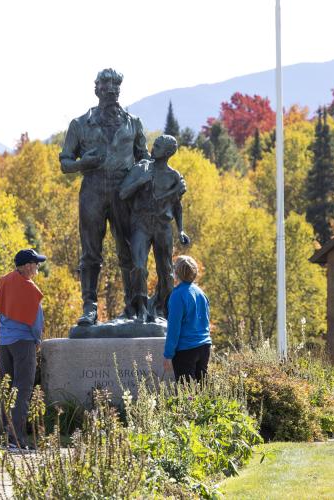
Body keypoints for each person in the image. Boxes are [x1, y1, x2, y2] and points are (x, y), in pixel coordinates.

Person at [59, 68, 150, 326]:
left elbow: (144, 157)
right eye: (106, 87)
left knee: (130, 250)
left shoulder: (133, 122)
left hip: (124, 191)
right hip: (93, 190)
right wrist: (82, 163)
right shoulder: (80, 124)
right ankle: (89, 307)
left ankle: (134, 305)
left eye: (116, 87)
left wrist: (143, 170)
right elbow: (65, 162)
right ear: (97, 89)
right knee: (90, 253)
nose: (111, 91)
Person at [119, 134, 190, 322]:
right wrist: (139, 182)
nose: (153, 147)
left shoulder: (173, 176)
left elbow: (177, 205)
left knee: (166, 271)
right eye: (154, 144)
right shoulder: (141, 168)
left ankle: (162, 310)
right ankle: (140, 308)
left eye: (158, 146)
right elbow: (123, 193)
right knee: (138, 266)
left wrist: (181, 229)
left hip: (163, 226)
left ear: (167, 152)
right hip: (141, 223)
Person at [0, 248, 46, 450]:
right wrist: (37, 340)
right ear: (27, 266)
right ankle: (16, 439)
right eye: (36, 263)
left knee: (7, 388)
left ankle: (4, 436)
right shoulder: (30, 288)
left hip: (4, 342)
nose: (37, 266)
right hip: (23, 343)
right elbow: (36, 323)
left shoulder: (4, 281)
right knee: (22, 389)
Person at [163, 255, 212, 382]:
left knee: (187, 394)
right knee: (203, 391)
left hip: (186, 350)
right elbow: (206, 321)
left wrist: (168, 355)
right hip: (205, 346)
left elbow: (174, 328)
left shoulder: (177, 295)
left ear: (176, 273)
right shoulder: (201, 293)